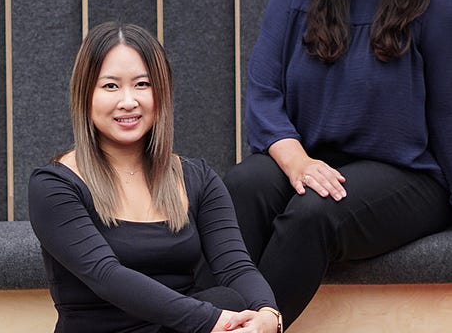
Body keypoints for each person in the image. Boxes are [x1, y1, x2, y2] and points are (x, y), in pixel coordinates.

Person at [226, 0, 452, 327]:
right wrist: (298, 161)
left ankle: (258, 324)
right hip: (314, 162)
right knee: (241, 186)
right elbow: (263, 97)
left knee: (312, 213)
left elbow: (451, 119)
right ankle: (205, 318)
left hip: (409, 177)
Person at [30, 22, 282, 333]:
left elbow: (235, 265)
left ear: (161, 92)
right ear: (85, 95)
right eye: (110, 86)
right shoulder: (55, 185)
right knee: (223, 303)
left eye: (142, 84)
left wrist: (269, 316)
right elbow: (106, 275)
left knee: (228, 297)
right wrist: (214, 321)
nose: (128, 101)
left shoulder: (197, 178)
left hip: (180, 328)